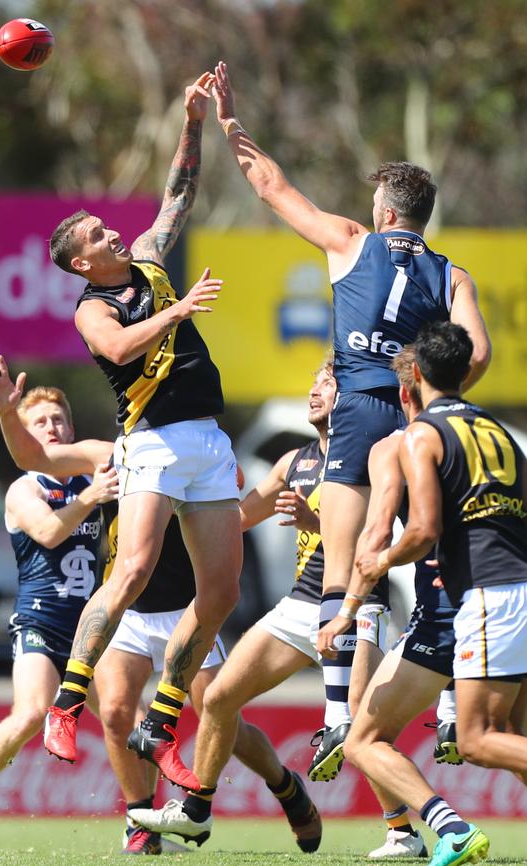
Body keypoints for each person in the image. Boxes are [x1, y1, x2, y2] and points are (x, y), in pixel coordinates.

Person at [210, 60, 492, 772]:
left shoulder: (350, 242)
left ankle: (337, 715)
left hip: (361, 410)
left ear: (385, 213)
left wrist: (232, 126)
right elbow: (478, 352)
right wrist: (425, 388)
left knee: (347, 564)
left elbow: (271, 187)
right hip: (419, 417)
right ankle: (455, 709)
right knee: (435, 560)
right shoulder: (453, 273)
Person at [0, 356, 319, 855]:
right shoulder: (111, 452)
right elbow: (39, 460)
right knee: (115, 712)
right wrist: (8, 414)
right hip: (129, 608)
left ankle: (284, 785)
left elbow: (237, 496)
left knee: (219, 717)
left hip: (188, 611)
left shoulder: (201, 453)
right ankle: (140, 820)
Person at [41, 71, 244, 792]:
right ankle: (66, 705)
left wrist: (191, 118)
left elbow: (179, 193)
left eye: (104, 224)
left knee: (220, 595)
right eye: (96, 234)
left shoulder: (153, 258)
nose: (111, 230)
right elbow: (122, 351)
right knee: (130, 572)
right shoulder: (92, 309)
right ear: (81, 263)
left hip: (208, 444)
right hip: (152, 441)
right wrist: (179, 310)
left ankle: (161, 722)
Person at [127, 362, 380, 849]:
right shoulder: (294, 462)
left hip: (357, 606)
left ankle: (406, 828)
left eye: (327, 383)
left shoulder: (371, 459)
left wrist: (314, 522)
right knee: (219, 699)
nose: (313, 391)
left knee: (364, 730)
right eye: (313, 381)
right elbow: (238, 518)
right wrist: (186, 496)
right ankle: (198, 809)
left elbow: (378, 538)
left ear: (352, 399)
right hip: (303, 604)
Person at [326, 321, 527, 866]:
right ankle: (449, 830)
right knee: (512, 738)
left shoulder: (419, 435)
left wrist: (379, 560)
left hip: (487, 597)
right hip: (515, 591)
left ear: (411, 378)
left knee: (474, 739)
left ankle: (453, 832)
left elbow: (422, 530)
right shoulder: (500, 431)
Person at [0, 386, 116, 852]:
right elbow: (51, 532)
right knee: (31, 712)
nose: (52, 428)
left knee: (120, 718)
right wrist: (94, 495)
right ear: (25, 438)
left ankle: (141, 824)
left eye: (59, 420)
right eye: (41, 423)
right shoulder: (25, 488)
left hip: (90, 629)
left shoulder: (95, 473)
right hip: (40, 623)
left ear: (72, 430)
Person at [317, 344, 460, 859]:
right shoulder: (494, 434)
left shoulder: (394, 446)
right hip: (510, 603)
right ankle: (404, 831)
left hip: (446, 614)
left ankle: (447, 829)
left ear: (405, 389)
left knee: (361, 737)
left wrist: (347, 610)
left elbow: (380, 535)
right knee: (501, 740)